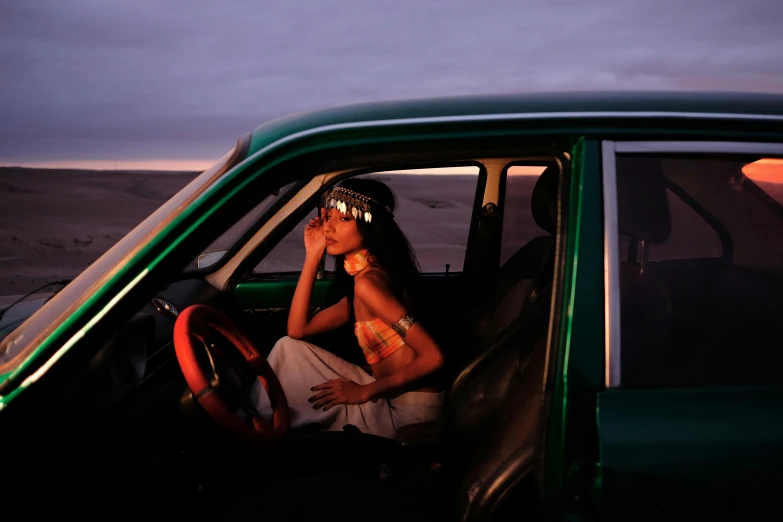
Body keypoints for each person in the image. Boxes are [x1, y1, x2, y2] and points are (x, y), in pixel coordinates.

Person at [251, 178, 446, 439]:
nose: (328, 227)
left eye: (343, 219)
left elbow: (433, 357)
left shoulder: (369, 284)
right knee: (288, 349)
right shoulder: (362, 280)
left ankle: (254, 430)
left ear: (369, 226)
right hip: (390, 393)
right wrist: (312, 256)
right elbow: (297, 330)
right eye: (328, 216)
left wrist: (364, 392)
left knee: (297, 408)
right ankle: (259, 424)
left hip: (407, 412)